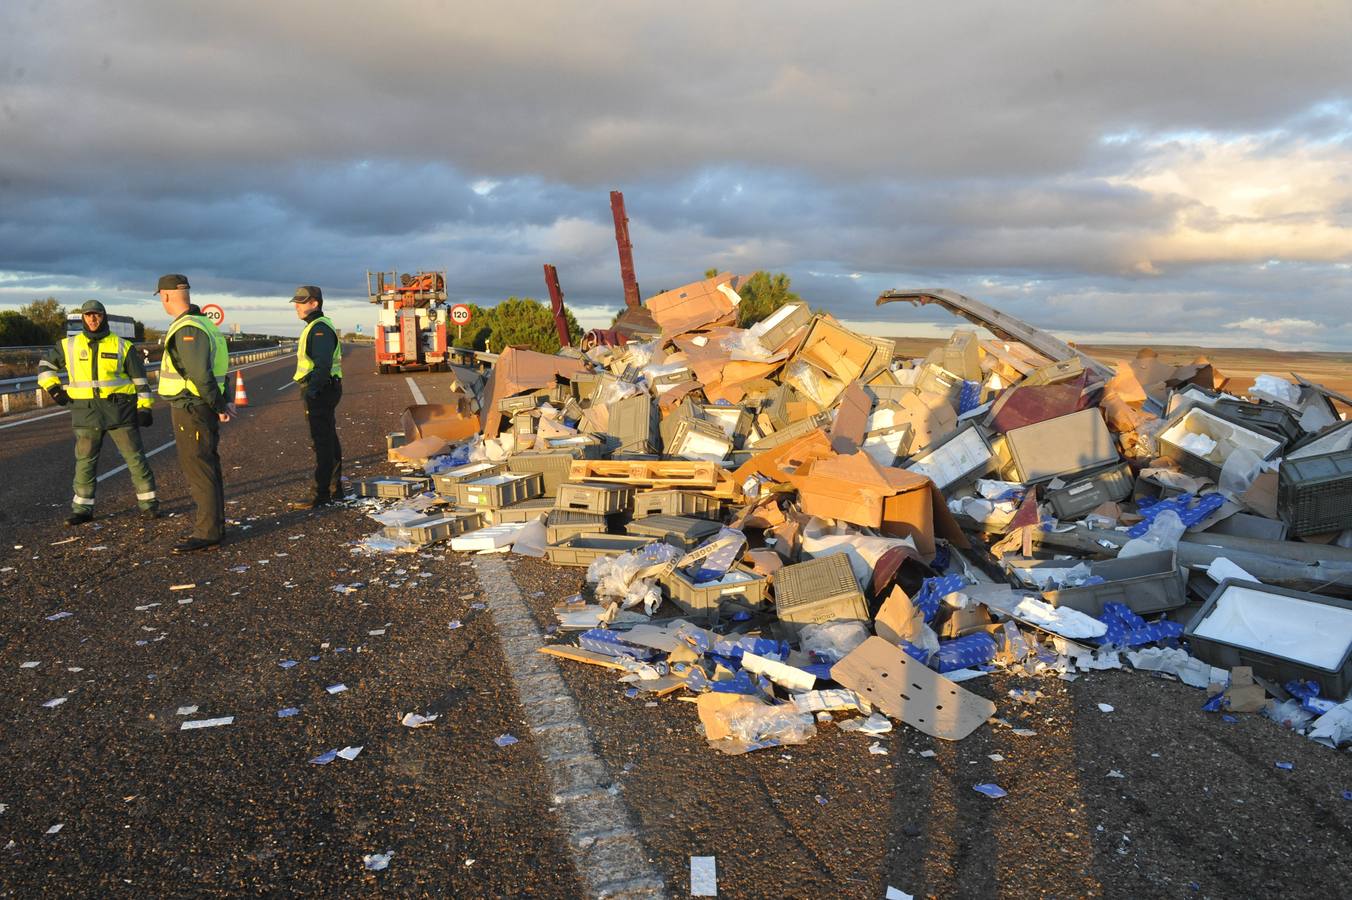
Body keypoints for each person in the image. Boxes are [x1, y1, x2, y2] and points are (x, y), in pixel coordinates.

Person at [36, 300, 160, 525]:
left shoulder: (122, 346)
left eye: (97, 315)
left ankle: (149, 504)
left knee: (135, 459)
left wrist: (145, 408)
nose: (93, 319)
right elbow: (45, 366)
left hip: (120, 413)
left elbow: (141, 381)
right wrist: (54, 390)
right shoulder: (68, 345)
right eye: (88, 315)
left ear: (104, 317)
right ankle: (82, 509)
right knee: (85, 462)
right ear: (83, 318)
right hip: (86, 414)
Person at [155, 274, 234, 552]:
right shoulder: (204, 324)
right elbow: (218, 369)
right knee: (207, 465)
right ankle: (214, 525)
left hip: (192, 407)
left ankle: (208, 531)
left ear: (165, 296)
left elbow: (201, 374)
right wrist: (222, 401)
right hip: (200, 406)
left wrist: (219, 405)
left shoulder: (188, 328)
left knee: (198, 467)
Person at [287, 286, 345, 508]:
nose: (297, 306)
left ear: (315, 303)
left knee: (322, 441)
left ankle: (320, 493)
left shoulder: (319, 328)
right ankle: (333, 488)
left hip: (320, 390)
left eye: (302, 302)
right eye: (297, 302)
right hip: (326, 388)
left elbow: (323, 365)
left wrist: (312, 391)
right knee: (328, 438)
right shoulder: (317, 326)